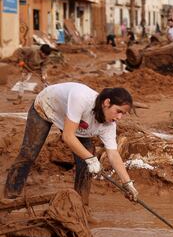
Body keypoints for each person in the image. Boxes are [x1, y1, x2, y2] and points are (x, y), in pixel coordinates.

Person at [4, 83, 139, 205]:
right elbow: (68, 136)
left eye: (124, 114)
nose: (119, 117)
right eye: (119, 111)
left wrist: (127, 183)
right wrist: (91, 159)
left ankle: (80, 206)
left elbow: (113, 154)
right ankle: (11, 196)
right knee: (29, 153)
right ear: (107, 102)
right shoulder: (81, 98)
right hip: (46, 107)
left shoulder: (109, 125)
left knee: (86, 165)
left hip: (74, 122)